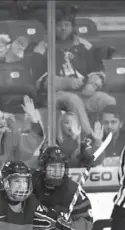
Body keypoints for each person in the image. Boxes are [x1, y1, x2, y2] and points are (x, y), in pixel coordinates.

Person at [32, 4, 116, 138]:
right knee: (73, 99)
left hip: (83, 93)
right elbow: (39, 80)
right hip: (54, 97)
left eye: (67, 24)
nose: (63, 28)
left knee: (107, 100)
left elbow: (97, 69)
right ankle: (91, 138)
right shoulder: (43, 47)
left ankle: (109, 138)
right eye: (59, 25)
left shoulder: (84, 45)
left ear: (73, 27)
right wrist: (64, 82)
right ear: (52, 27)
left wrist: (92, 85)